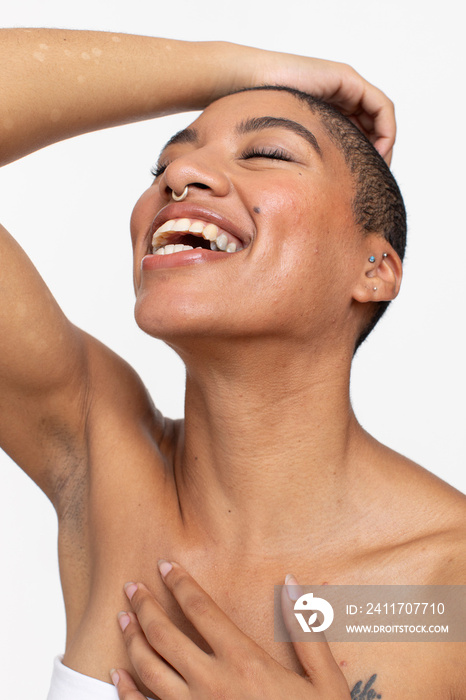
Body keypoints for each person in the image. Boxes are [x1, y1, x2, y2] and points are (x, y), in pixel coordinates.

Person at [0, 28, 464, 700]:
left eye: (269, 152)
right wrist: (244, 66)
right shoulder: (102, 458)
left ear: (376, 267)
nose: (179, 178)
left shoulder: (447, 592)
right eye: (163, 168)